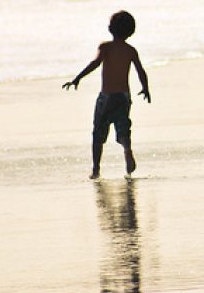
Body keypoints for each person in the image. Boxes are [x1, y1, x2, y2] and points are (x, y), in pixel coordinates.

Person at [62, 11, 151, 179]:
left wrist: (77, 78)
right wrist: (145, 88)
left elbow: (95, 63)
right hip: (124, 97)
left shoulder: (105, 47)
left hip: (107, 97)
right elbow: (141, 71)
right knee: (124, 129)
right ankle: (127, 149)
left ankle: (96, 169)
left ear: (111, 28)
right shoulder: (131, 50)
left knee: (98, 134)